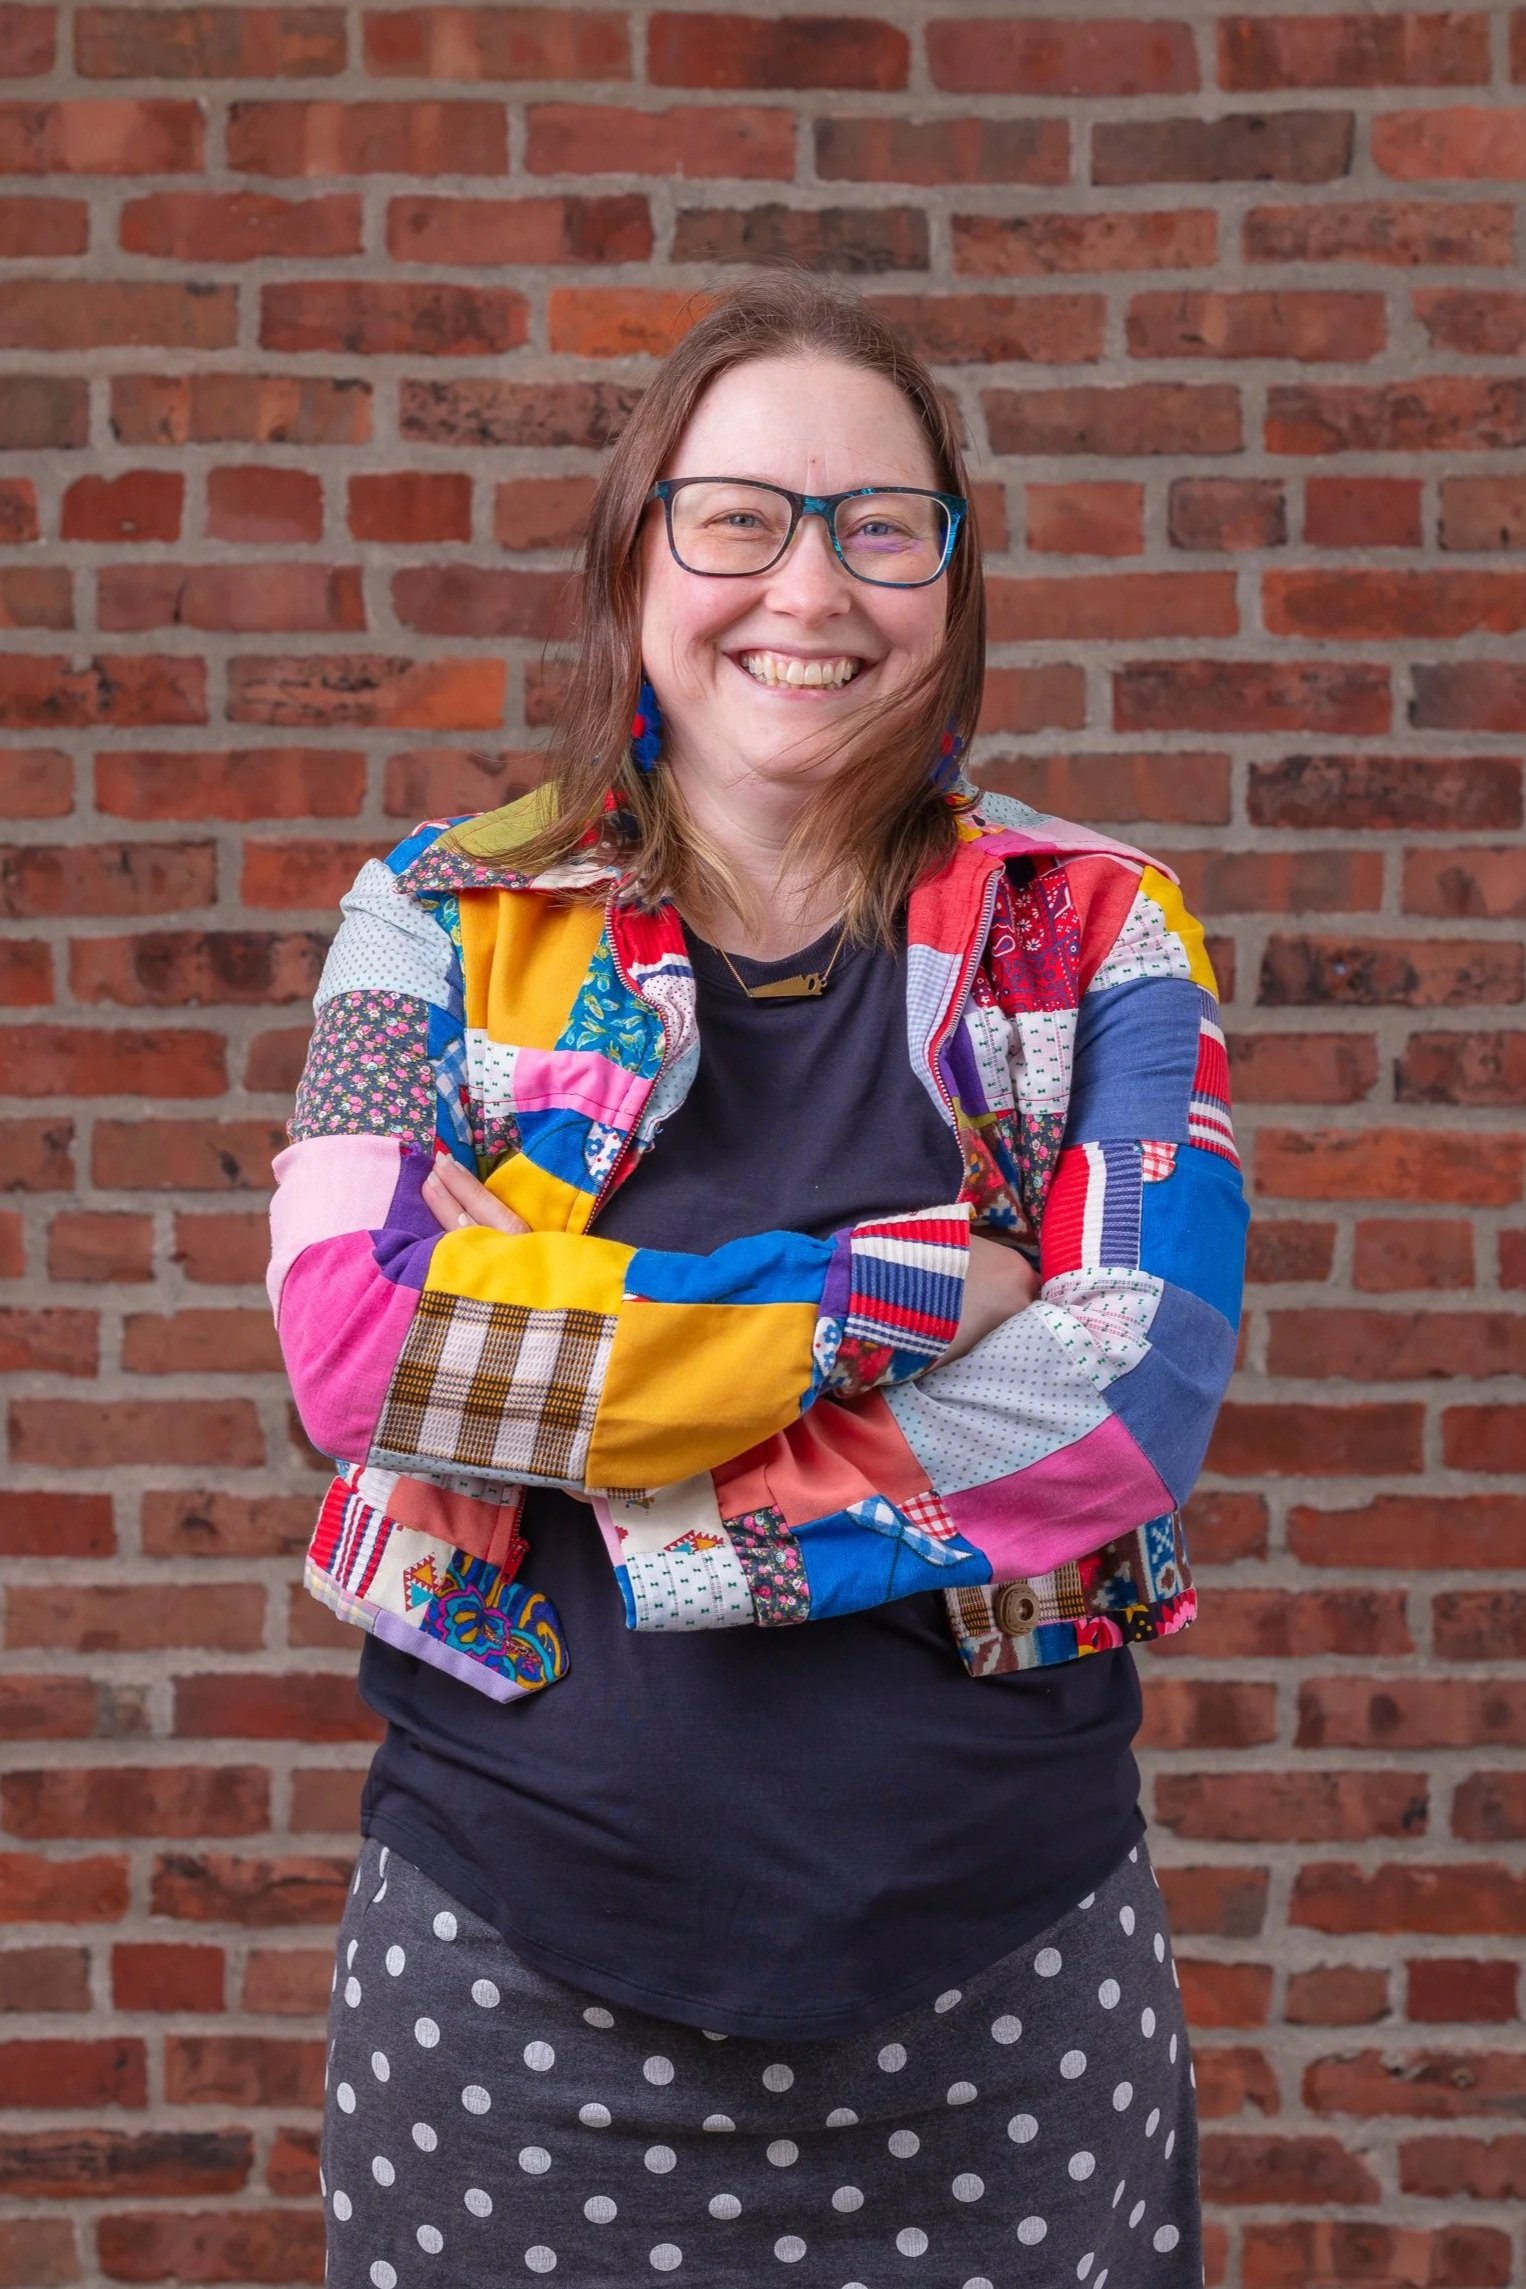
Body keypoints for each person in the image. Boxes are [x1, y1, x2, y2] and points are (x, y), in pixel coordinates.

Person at [272, 271, 1247, 2288]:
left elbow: (1122, 1397)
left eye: (879, 524)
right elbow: (364, 1357)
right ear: (638, 556)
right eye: (736, 515)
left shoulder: (1102, 932)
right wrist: (885, 1290)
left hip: (1005, 1979)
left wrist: (602, 1440)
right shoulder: (434, 922)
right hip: (512, 1967)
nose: (808, 583)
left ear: (949, 584)